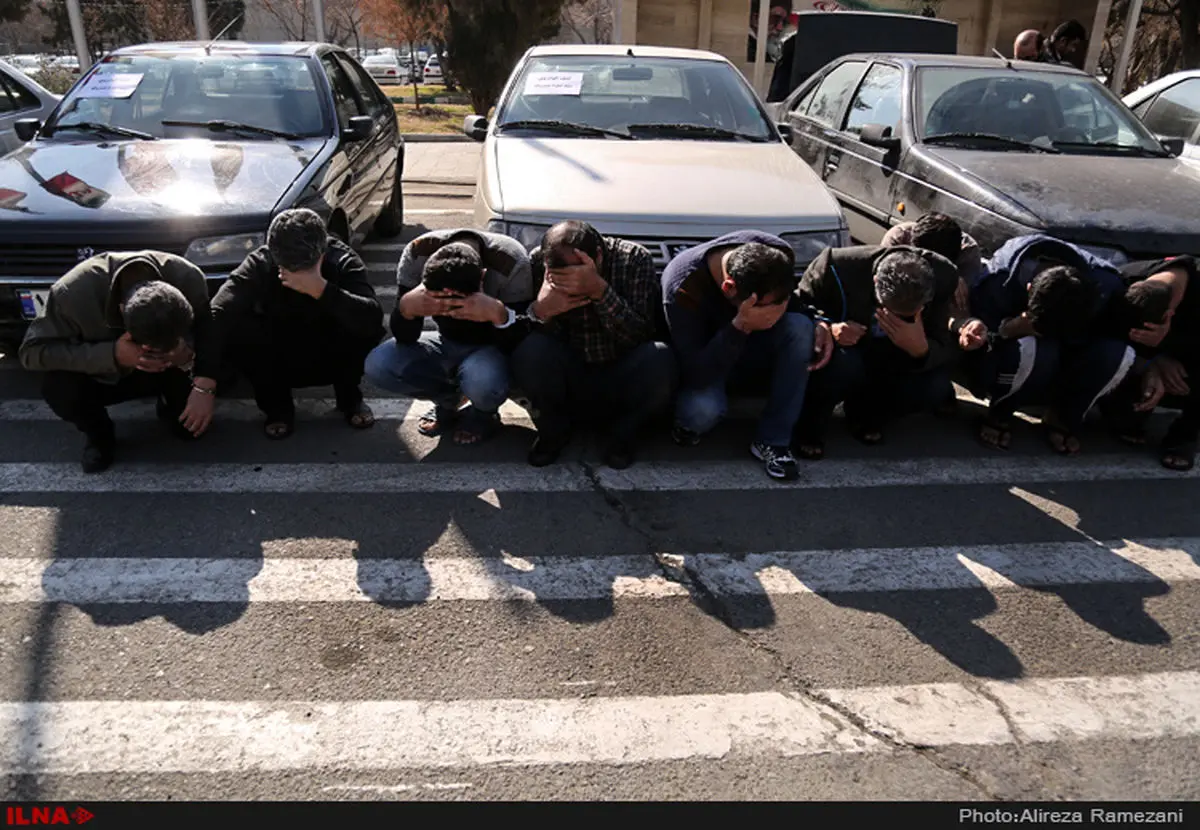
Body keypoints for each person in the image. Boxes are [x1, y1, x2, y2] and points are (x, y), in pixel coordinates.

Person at [19, 251, 219, 472]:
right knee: (59, 387)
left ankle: (169, 402)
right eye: (149, 346)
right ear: (122, 311)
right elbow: (32, 352)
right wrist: (112, 354)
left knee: (189, 430)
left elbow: (210, 331)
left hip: (170, 367)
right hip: (103, 374)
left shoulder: (189, 277)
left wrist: (201, 379)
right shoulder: (72, 293)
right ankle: (99, 434)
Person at [663, 232, 832, 481]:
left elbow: (792, 301)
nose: (775, 313)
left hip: (754, 346)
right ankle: (684, 425)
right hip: (708, 359)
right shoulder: (684, 285)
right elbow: (695, 372)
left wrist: (819, 320)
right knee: (701, 412)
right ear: (729, 288)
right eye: (766, 308)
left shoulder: (776, 253)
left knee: (800, 327)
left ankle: (774, 440)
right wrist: (739, 326)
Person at [511, 221, 677, 469]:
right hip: (570, 370)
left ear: (598, 255)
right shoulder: (540, 261)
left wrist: (600, 292)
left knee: (660, 358)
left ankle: (622, 435)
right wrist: (541, 310)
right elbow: (517, 332)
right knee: (530, 350)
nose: (572, 282)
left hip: (620, 368)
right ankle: (554, 431)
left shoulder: (632, 258)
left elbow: (641, 333)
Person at [207, 208, 384, 439]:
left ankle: (349, 397)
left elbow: (373, 317)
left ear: (322, 252)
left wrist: (320, 289)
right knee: (240, 329)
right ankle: (277, 407)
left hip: (332, 346)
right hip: (279, 346)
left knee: (362, 323)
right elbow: (218, 311)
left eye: (304, 268)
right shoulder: (260, 262)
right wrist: (205, 381)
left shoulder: (343, 260)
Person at [967, 234, 1133, 455]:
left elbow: (1124, 332)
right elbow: (977, 348)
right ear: (1028, 290)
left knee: (1120, 353)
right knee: (1035, 347)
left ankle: (1064, 418)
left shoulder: (1107, 284)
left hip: (1075, 352)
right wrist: (1010, 328)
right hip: (1024, 355)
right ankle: (1002, 410)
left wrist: (1156, 362)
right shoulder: (998, 280)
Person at [364, 229, 532, 445]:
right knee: (380, 364)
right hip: (444, 340)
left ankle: (483, 414)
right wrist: (406, 309)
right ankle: (449, 401)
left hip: (491, 347)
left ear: (482, 277)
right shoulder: (417, 254)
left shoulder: (510, 260)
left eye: (458, 302)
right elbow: (406, 338)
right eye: (440, 302)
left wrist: (500, 316)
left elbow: (522, 343)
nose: (450, 310)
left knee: (485, 381)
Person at [795, 245, 962, 455]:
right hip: (847, 349)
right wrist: (829, 326)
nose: (895, 319)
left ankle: (866, 416)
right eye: (889, 311)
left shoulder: (944, 275)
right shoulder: (835, 265)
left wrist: (921, 348)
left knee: (934, 386)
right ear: (875, 282)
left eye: (907, 314)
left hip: (896, 356)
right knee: (842, 365)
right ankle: (810, 425)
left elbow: (945, 344)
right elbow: (799, 305)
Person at [1101, 256, 1198, 471]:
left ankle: (1183, 436)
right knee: (1124, 418)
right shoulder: (1125, 281)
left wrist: (1168, 342)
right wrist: (1151, 362)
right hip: (1144, 364)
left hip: (1186, 365)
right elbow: (1106, 333)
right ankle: (1125, 412)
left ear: (1169, 314)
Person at [881, 212, 983, 317]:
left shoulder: (968, 254)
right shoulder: (898, 237)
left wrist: (952, 278)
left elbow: (960, 308)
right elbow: (883, 279)